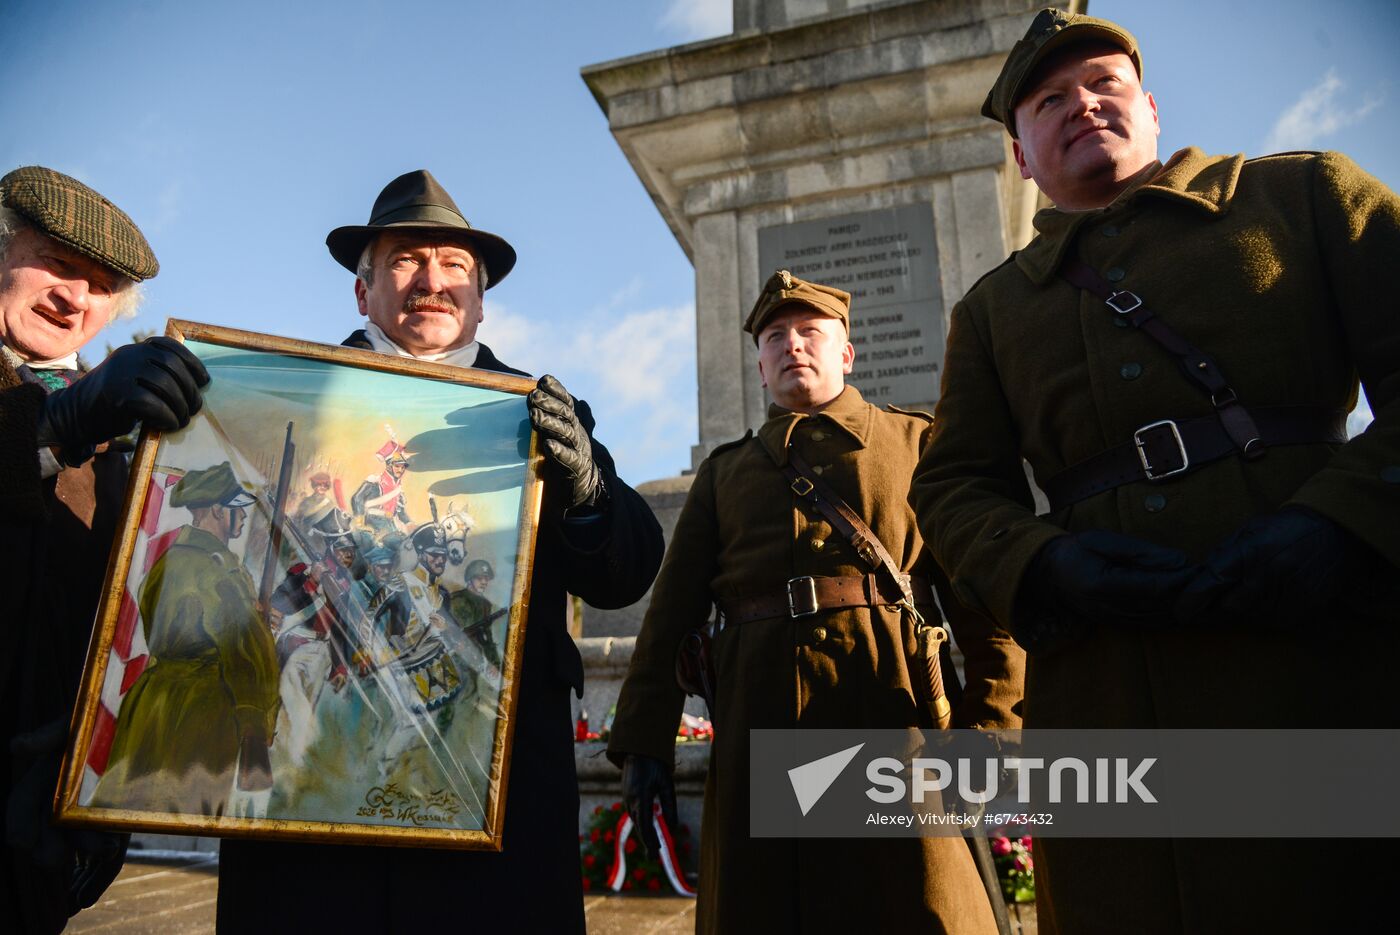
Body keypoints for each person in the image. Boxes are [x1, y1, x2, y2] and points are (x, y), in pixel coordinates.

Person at [911, 8, 1400, 933]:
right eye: (1049, 100)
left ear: (1152, 105)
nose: (1082, 105)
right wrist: (1043, 565)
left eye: (1104, 84)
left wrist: (1337, 523)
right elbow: (951, 485)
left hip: (1325, 657)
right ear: (1020, 156)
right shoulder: (991, 310)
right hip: (1109, 696)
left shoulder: (1307, 196)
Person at [216, 169, 664, 934]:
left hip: (498, 803)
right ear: (363, 293)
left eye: (455, 266)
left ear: (481, 299)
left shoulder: (542, 410)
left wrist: (589, 492)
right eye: (404, 260)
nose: (432, 281)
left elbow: (626, 571)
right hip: (317, 795)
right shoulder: (276, 402)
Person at [608, 270, 1024, 934]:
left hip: (896, 716)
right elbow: (670, 616)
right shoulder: (724, 472)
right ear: (760, 363)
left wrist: (994, 731)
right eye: (776, 336)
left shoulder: (918, 445)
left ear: (846, 353)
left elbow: (983, 608)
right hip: (759, 724)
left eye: (810, 332)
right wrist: (644, 745)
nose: (793, 346)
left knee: (919, 905)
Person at [0, 166, 208, 933]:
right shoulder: (94, 407)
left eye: (99, 285)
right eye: (55, 263)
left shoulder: (130, 430)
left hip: (39, 813)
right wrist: (54, 427)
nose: (73, 296)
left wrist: (108, 788)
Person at [93, 462, 281, 816]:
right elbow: (244, 651)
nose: (241, 519)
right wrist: (256, 725)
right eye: (236, 511)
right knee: (188, 811)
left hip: (153, 704)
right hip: (204, 708)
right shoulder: (218, 568)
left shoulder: (171, 560)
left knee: (128, 808)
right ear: (216, 510)